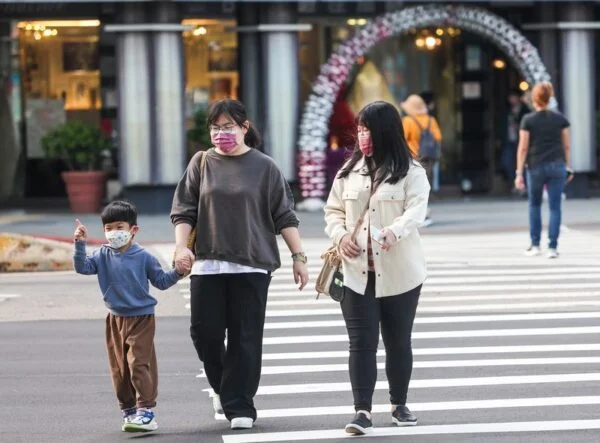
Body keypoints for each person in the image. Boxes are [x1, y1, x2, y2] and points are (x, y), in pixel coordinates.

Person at [170, 98, 309, 430]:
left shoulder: (265, 167)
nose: (221, 134)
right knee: (205, 333)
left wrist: (298, 257)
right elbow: (184, 210)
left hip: (251, 264)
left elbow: (284, 216)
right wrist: (179, 248)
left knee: (246, 337)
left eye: (228, 127)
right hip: (207, 264)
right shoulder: (201, 163)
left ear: (244, 127)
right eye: (215, 128)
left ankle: (240, 403)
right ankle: (227, 389)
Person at [324, 101, 430, 435]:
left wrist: (393, 231)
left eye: (368, 129)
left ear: (385, 132)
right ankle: (362, 411)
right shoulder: (349, 171)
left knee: (398, 341)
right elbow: (333, 211)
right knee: (361, 342)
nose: (362, 135)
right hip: (357, 273)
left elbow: (416, 210)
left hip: (400, 274)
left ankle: (399, 403)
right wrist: (341, 237)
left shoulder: (412, 172)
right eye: (360, 128)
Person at [73, 200, 186, 433]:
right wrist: (80, 244)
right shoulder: (102, 255)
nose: (113, 232)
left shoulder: (144, 257)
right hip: (115, 319)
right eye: (108, 228)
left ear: (133, 230)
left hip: (142, 318)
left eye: (119, 227)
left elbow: (162, 282)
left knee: (137, 363)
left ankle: (146, 411)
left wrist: (178, 271)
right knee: (119, 368)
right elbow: (82, 267)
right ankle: (129, 410)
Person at [515, 81, 573, 259]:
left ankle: (535, 245)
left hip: (535, 166)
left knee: (534, 205)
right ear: (550, 98)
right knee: (555, 207)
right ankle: (552, 247)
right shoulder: (560, 119)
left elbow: (523, 147)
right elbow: (566, 145)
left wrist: (518, 173)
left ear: (535, 99)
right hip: (557, 166)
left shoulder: (528, 120)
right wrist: (568, 166)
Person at [401, 94, 442, 227]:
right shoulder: (431, 120)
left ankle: (415, 215)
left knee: (411, 188)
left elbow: (402, 138)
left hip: (412, 158)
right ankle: (425, 213)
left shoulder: (408, 121)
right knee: (425, 186)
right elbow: (438, 137)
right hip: (428, 158)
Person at [501, 90, 529, 191]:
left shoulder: (525, 111)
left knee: (522, 162)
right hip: (509, 140)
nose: (512, 100)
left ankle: (523, 185)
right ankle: (515, 182)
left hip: (521, 140)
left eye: (513, 97)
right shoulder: (507, 110)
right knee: (507, 162)